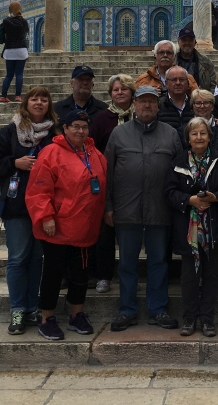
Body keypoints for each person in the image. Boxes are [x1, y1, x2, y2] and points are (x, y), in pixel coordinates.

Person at [104, 85, 183, 331]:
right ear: (134, 105)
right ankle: (127, 310)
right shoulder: (119, 134)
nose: (146, 106)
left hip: (160, 210)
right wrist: (108, 206)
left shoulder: (170, 133)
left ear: (158, 105)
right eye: (142, 102)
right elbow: (107, 172)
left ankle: (157, 309)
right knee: (127, 263)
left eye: (151, 101)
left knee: (158, 261)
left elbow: (180, 172)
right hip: (126, 210)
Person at [26, 110, 107, 340]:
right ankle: (47, 317)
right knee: (53, 274)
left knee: (80, 274)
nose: (81, 131)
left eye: (84, 127)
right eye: (76, 127)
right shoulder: (51, 153)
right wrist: (46, 217)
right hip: (58, 227)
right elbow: (39, 189)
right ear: (65, 129)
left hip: (85, 226)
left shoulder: (93, 152)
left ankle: (76, 314)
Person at [0, 86, 58, 335]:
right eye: (34, 99)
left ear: (49, 105)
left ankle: (32, 306)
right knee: (17, 258)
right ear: (26, 104)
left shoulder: (53, 134)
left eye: (44, 99)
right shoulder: (11, 131)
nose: (39, 103)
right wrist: (15, 162)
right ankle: (17, 308)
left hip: (44, 206)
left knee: (37, 258)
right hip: (16, 205)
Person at [166, 118, 218, 337]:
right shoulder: (178, 162)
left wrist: (216, 198)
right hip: (189, 229)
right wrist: (189, 201)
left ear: (210, 137)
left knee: (211, 275)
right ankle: (189, 318)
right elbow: (169, 192)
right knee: (189, 276)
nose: (199, 138)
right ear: (187, 137)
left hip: (213, 228)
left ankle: (207, 319)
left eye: (203, 134)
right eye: (194, 134)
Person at [88, 74, 137, 294]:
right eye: (116, 89)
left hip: (135, 183)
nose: (120, 93)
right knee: (106, 231)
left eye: (124, 89)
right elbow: (93, 148)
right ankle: (104, 275)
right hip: (108, 180)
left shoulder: (141, 115)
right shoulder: (101, 118)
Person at [0, 1, 30, 103]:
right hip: (21, 50)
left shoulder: (6, 21)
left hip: (9, 50)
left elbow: (1, 35)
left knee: (9, 75)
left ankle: (3, 96)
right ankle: (18, 96)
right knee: (19, 74)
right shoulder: (24, 22)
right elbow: (26, 32)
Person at [157, 66, 195, 138]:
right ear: (166, 83)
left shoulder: (195, 104)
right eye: (174, 80)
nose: (178, 83)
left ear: (187, 83)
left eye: (182, 79)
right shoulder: (158, 105)